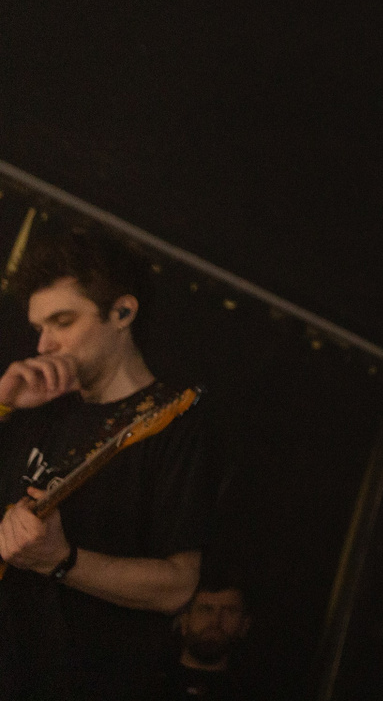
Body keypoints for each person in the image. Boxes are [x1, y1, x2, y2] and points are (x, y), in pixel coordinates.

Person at [0, 226, 218, 701]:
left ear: (122, 312)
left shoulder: (173, 425)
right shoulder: (35, 405)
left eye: (62, 322)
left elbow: (178, 587)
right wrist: (2, 404)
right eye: (39, 328)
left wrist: (62, 560)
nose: (43, 346)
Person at [150, 569, 251, 700]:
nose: (215, 621)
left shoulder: (255, 691)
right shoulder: (146, 683)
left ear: (244, 625)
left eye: (229, 611)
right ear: (184, 620)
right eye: (205, 610)